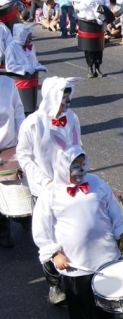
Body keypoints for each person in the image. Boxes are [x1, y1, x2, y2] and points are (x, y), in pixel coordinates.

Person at [32, 134, 123, 319]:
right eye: (74, 167)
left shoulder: (96, 184)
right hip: (76, 264)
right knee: (81, 305)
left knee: (107, 299)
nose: (80, 171)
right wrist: (54, 252)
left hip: (105, 257)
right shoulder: (51, 193)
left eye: (82, 165)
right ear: (62, 168)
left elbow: (115, 211)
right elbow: (41, 227)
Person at [17, 77, 82, 305]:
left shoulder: (72, 118)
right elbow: (23, 155)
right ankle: (54, 284)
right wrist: (42, 181)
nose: (68, 100)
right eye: (64, 96)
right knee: (47, 236)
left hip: (69, 186)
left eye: (69, 95)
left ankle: (76, 275)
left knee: (71, 231)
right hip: (44, 188)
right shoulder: (33, 123)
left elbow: (77, 149)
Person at [0, 76, 25, 249]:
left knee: (15, 189)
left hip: (9, 146)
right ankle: (3, 235)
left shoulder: (8, 83)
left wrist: (21, 143)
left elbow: (18, 112)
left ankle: (25, 219)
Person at [73, 0, 109, 78]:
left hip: (98, 22)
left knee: (99, 47)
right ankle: (90, 67)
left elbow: (107, 5)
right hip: (86, 21)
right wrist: (84, 4)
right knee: (88, 47)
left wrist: (101, 13)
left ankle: (98, 67)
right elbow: (75, 5)